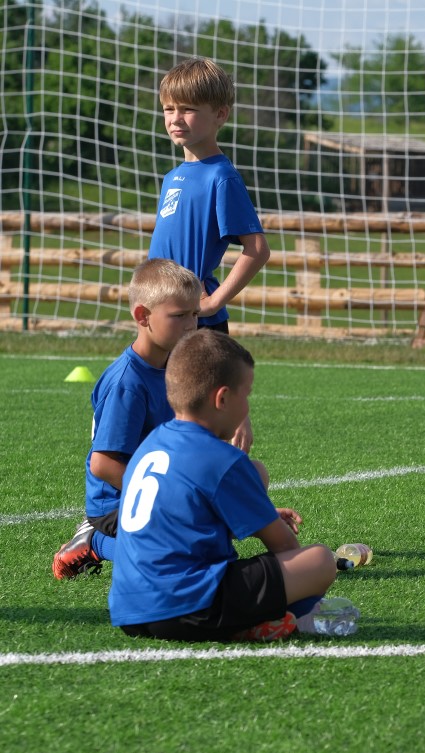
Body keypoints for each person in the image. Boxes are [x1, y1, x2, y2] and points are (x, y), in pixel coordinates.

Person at [108, 329, 336, 641]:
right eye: (248, 395)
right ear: (223, 398)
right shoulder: (222, 459)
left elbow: (184, 517)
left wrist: (256, 514)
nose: (248, 407)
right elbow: (284, 546)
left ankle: (247, 622)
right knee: (319, 560)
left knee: (255, 478)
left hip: (130, 611)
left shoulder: (151, 445)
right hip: (193, 606)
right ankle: (264, 623)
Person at [52, 258, 201, 580]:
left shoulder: (174, 364)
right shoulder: (127, 383)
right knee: (178, 554)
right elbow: (102, 465)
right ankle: (94, 541)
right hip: (116, 503)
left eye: (195, 314)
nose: (191, 325)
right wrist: (163, 498)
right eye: (179, 316)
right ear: (142, 316)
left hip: (160, 484)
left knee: (249, 474)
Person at [149, 57, 269, 451]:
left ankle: (228, 501)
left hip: (196, 320)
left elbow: (257, 249)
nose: (175, 118)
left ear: (220, 114)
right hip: (160, 313)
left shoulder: (222, 177)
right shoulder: (173, 177)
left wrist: (214, 299)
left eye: (187, 109)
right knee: (159, 415)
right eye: (169, 108)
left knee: (214, 428)